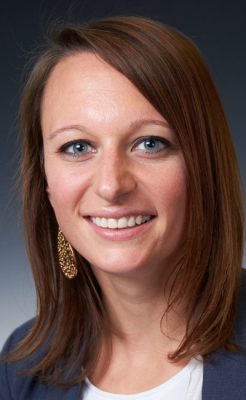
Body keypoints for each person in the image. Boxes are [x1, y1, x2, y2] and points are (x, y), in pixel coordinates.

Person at [0, 16, 245, 400]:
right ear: (45, 182)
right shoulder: (19, 370)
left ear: (204, 166)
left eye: (150, 143)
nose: (112, 186)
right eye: (78, 147)